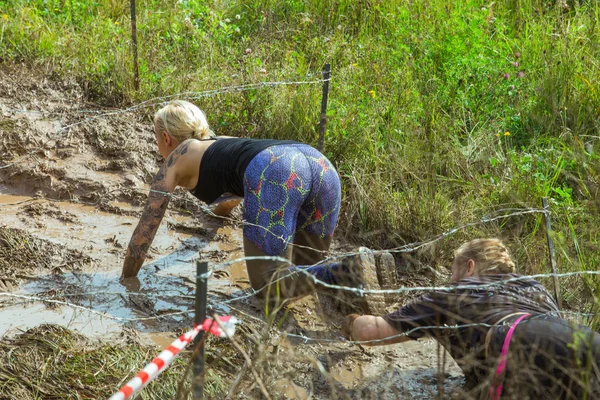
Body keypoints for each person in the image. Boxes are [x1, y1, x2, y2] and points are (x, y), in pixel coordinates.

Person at [120, 100, 389, 313]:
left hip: (277, 170)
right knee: (304, 269)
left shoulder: (175, 159)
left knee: (268, 287)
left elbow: (146, 229)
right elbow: (234, 187)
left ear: (166, 138)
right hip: (319, 166)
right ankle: (368, 277)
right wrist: (219, 215)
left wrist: (126, 280)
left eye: (157, 139)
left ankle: (349, 270)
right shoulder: (221, 143)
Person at [343, 238, 600, 399]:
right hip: (586, 343)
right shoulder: (535, 287)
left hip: (514, 339)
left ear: (469, 267)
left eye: (452, 270)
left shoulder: (459, 291)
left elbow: (371, 332)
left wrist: (348, 320)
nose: (450, 279)